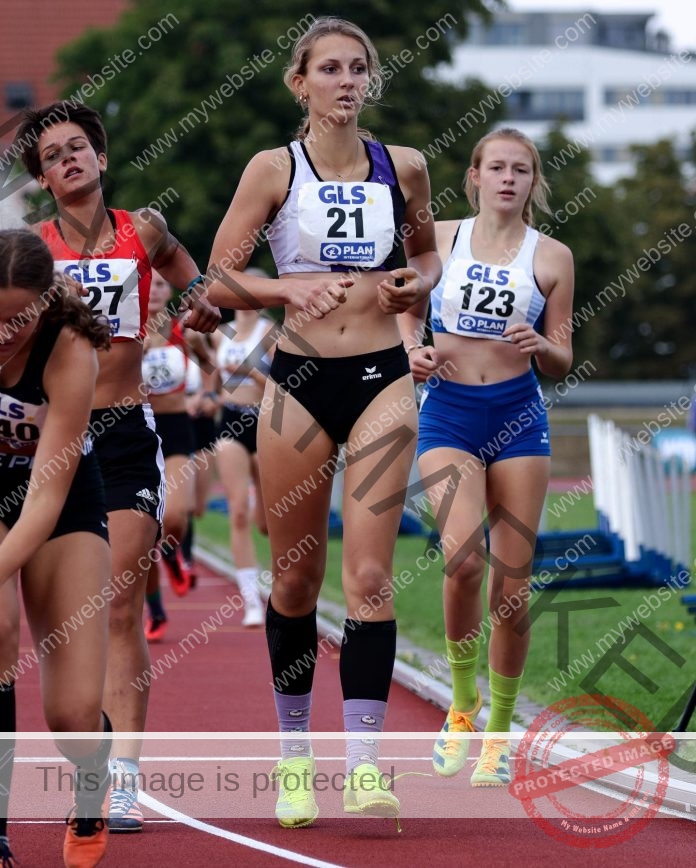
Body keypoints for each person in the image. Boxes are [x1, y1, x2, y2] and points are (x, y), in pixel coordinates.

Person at [206, 16, 440, 830]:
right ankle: (295, 760)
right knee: (297, 579)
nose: (346, 81)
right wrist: (283, 291)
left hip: (382, 377)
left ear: (370, 81)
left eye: (358, 69)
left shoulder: (402, 165)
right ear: (298, 83)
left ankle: (367, 768)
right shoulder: (274, 169)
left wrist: (416, 286)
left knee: (370, 580)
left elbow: (427, 255)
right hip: (298, 383)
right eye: (329, 69)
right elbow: (219, 277)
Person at [18, 102, 220, 833]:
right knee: (68, 618)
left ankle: (127, 780)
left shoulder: (146, 229)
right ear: (42, 179)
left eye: (79, 149)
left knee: (121, 604)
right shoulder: (31, 249)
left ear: (101, 160)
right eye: (52, 156)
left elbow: (185, 271)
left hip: (125, 429)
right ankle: (88, 764)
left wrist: (198, 302)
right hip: (54, 435)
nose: (68, 160)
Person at [400, 128, 574, 785]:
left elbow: (561, 357)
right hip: (448, 414)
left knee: (512, 587)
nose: (508, 178)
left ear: (533, 181)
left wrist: (540, 343)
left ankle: (501, 729)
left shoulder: (552, 256)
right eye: (496, 167)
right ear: (473, 176)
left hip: (519, 416)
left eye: (520, 170)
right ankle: (463, 704)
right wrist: (410, 351)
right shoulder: (439, 239)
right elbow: (401, 308)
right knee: (464, 559)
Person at [0, 229, 112, 867]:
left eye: (19, 319)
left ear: (45, 304)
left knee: (71, 714)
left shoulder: (69, 349)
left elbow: (45, 497)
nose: (5, 333)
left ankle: (92, 776)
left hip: (58, 498)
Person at [141, 271, 214, 640]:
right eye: (146, 283)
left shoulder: (183, 329)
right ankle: (154, 608)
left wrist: (208, 396)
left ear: (169, 290)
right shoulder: (124, 330)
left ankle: (171, 554)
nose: (153, 290)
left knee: (175, 515)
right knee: (140, 535)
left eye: (160, 284)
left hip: (175, 427)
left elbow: (214, 369)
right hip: (135, 430)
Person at [211, 275, 275, 627]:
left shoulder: (271, 333)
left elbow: (283, 387)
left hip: (264, 422)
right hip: (230, 423)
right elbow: (213, 377)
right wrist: (207, 398)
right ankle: (251, 600)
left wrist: (251, 373)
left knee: (268, 523)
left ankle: (279, 584)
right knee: (237, 512)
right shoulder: (221, 332)